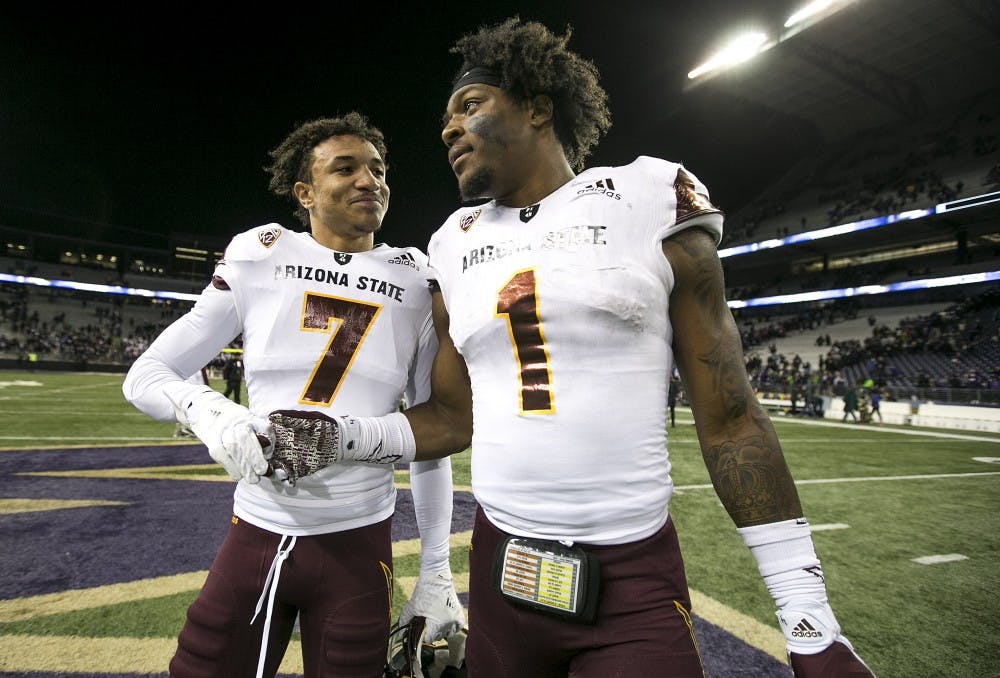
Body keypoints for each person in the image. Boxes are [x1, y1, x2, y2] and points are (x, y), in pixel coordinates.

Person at [265, 18, 875, 678]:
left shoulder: (648, 195)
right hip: (502, 569)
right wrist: (343, 443)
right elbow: (448, 417)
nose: (447, 129)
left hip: (631, 571)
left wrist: (809, 621)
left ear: (536, 106)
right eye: (447, 116)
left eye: (470, 105)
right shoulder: (451, 241)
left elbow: (730, 417)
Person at [122, 113, 464, 677]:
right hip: (258, 530)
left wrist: (435, 573)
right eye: (346, 168)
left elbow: (434, 437)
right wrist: (215, 415)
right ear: (304, 191)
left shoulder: (415, 280)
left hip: (360, 540)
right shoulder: (263, 256)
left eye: (378, 169)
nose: (369, 181)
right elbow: (149, 373)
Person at [173, 366, 210, 438]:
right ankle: (184, 430)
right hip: (191, 392)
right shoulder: (191, 368)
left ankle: (183, 430)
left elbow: (203, 380)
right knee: (188, 412)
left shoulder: (199, 368)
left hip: (196, 392)